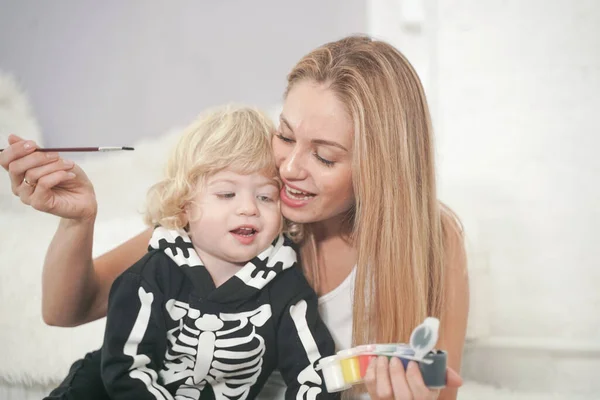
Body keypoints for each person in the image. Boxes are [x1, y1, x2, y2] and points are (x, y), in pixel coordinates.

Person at [1, 35, 468, 400]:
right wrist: (78, 220)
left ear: (382, 167)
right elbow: (67, 310)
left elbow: (438, 387)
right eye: (285, 136)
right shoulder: (242, 213)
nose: (288, 169)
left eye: (324, 157)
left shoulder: (432, 241)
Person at [101, 105, 337, 399]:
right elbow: (126, 370)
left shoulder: (286, 290)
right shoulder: (149, 278)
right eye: (227, 194)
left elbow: (315, 374)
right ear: (184, 204)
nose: (248, 208)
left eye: (265, 196)